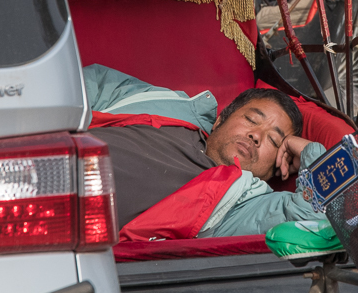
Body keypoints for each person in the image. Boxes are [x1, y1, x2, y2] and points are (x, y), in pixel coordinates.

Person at [84, 65, 329, 241]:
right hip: (56, 153)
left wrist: (310, 152)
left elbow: (314, 217)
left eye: (274, 141)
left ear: (275, 168)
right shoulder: (172, 105)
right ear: (220, 119)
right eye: (251, 119)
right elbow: (92, 83)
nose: (257, 135)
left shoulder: (241, 204)